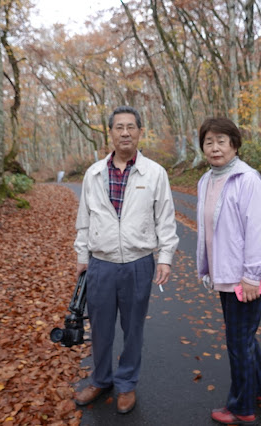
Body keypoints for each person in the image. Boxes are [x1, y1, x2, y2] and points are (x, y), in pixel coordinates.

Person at [73, 106, 179, 414]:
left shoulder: (155, 173)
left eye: (131, 127)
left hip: (138, 262)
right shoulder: (93, 174)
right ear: (111, 133)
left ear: (140, 132)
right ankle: (100, 378)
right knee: (101, 328)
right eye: (119, 127)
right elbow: (85, 219)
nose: (125, 133)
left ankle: (127, 384)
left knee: (133, 329)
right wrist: (83, 256)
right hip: (101, 264)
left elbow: (166, 220)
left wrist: (165, 258)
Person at [196, 117, 261, 425]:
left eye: (221, 141)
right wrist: (206, 269)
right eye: (208, 142)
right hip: (224, 276)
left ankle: (242, 407)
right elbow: (208, 231)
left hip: (246, 278)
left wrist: (253, 274)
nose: (215, 148)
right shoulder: (207, 180)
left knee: (238, 343)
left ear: (234, 144)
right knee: (243, 337)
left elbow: (258, 231)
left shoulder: (247, 180)